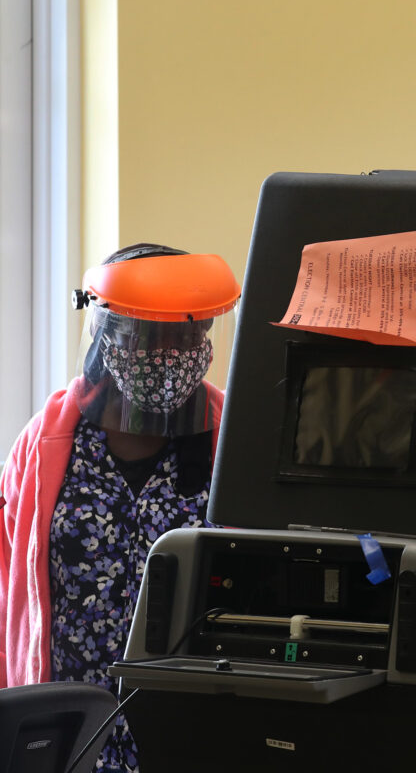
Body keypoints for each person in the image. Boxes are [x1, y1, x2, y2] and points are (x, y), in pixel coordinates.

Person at [0, 243, 240, 772]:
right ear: (107, 335)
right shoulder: (45, 448)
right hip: (68, 732)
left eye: (189, 335)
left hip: (195, 732)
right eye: (152, 336)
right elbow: (8, 589)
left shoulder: (231, 440)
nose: (172, 352)